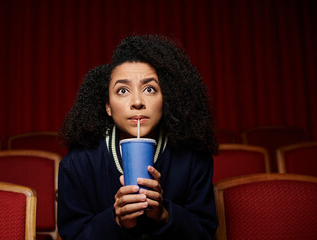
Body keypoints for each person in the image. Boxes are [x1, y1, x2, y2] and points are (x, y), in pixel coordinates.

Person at [57, 35, 218, 239]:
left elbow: (205, 232)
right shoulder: (77, 165)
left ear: (166, 98)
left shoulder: (194, 159)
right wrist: (117, 221)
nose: (137, 102)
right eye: (123, 90)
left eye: (149, 89)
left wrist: (163, 215)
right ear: (108, 106)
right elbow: (73, 235)